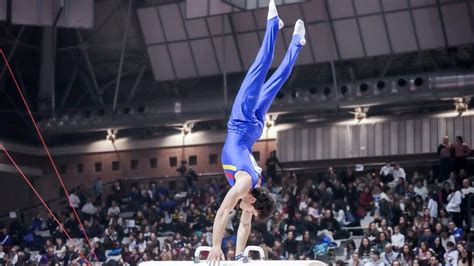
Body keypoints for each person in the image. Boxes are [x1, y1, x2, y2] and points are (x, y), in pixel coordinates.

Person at [207, 1, 306, 264]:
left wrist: (239, 255)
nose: (246, 212)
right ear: (251, 199)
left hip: (254, 129)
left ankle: (297, 41)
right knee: (259, 70)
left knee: (277, 80)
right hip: (241, 123)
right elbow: (222, 212)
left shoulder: (256, 188)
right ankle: (273, 26)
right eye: (249, 208)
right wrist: (215, 246)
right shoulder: (244, 187)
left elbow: (244, 226)